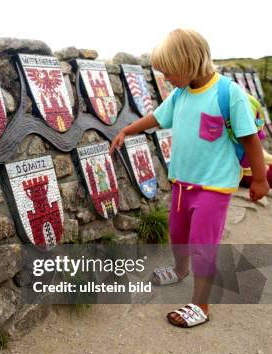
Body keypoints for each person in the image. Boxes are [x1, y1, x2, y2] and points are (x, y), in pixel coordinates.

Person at [109, 28, 269, 328]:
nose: (166, 78)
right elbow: (157, 117)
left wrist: (259, 180)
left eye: (169, 72)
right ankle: (180, 271)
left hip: (213, 187)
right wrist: (128, 130)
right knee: (178, 234)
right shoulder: (180, 94)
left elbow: (250, 141)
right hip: (182, 184)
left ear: (189, 62)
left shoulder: (227, 93)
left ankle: (201, 304)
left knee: (202, 244)